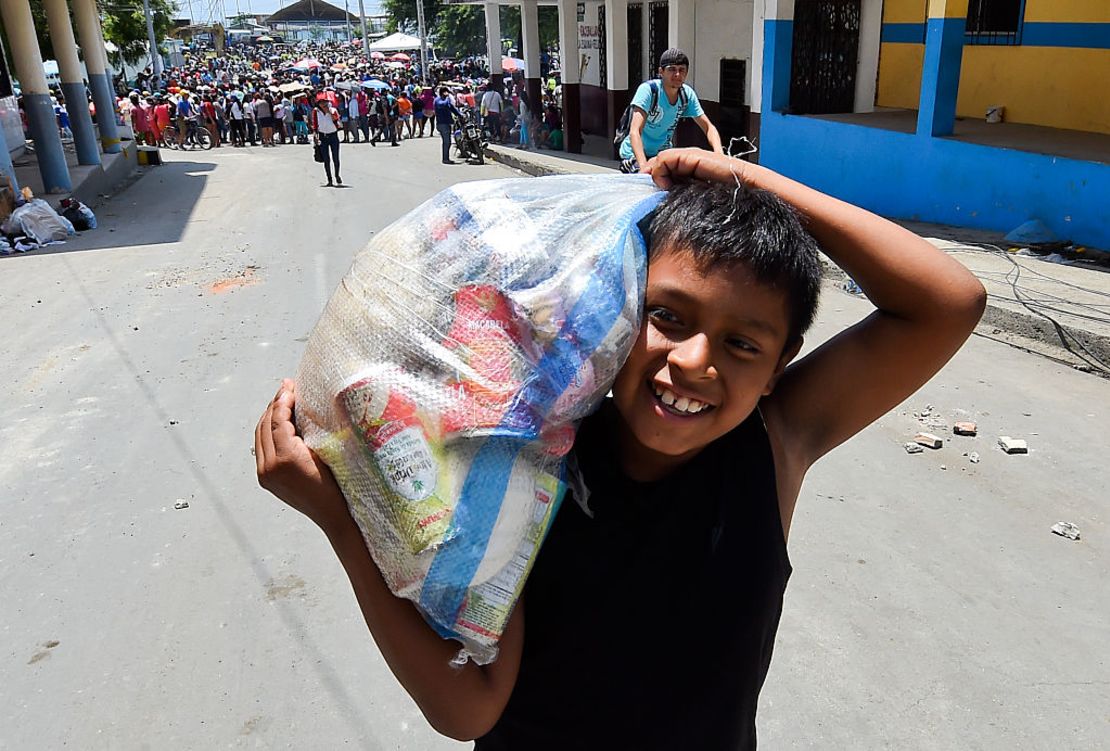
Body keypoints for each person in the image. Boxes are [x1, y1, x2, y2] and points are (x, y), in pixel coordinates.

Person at [255, 148, 987, 748]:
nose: (695, 361)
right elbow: (468, 707)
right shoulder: (527, 452)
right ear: (615, 302)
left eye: (741, 343)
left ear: (779, 366)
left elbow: (949, 301)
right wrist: (340, 522)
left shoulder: (775, 443)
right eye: (666, 315)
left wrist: (746, 180)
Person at [618, 48, 723, 173]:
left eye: (682, 70)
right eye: (672, 69)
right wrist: (643, 166)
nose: (677, 74)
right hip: (634, 155)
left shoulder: (686, 95)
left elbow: (709, 128)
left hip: (662, 154)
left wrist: (719, 156)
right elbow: (635, 131)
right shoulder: (649, 91)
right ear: (661, 71)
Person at [310, 96, 341, 186]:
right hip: (323, 136)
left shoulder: (333, 110)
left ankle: (337, 175)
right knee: (326, 159)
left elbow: (338, 123)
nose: (324, 104)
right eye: (321, 102)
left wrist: (330, 113)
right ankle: (329, 179)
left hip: (333, 136)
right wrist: (315, 136)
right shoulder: (316, 111)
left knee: (336, 158)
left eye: (325, 102)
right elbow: (315, 125)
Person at [433, 85, 462, 164]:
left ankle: (447, 157)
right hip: (442, 124)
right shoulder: (438, 100)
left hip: (447, 123)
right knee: (447, 142)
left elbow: (452, 108)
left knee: (448, 141)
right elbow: (443, 105)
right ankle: (445, 159)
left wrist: (460, 115)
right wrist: (447, 98)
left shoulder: (446, 100)